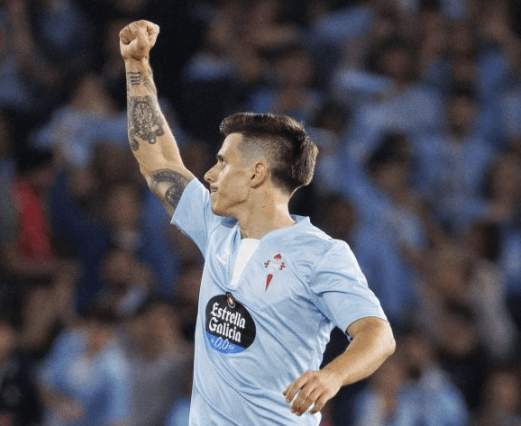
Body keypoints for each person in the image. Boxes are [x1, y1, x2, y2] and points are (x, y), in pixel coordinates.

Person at [119, 20, 396, 425]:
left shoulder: (321, 254)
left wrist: (332, 375)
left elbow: (378, 335)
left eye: (222, 162)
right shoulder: (215, 228)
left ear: (256, 174)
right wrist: (137, 65)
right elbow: (158, 160)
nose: (209, 175)